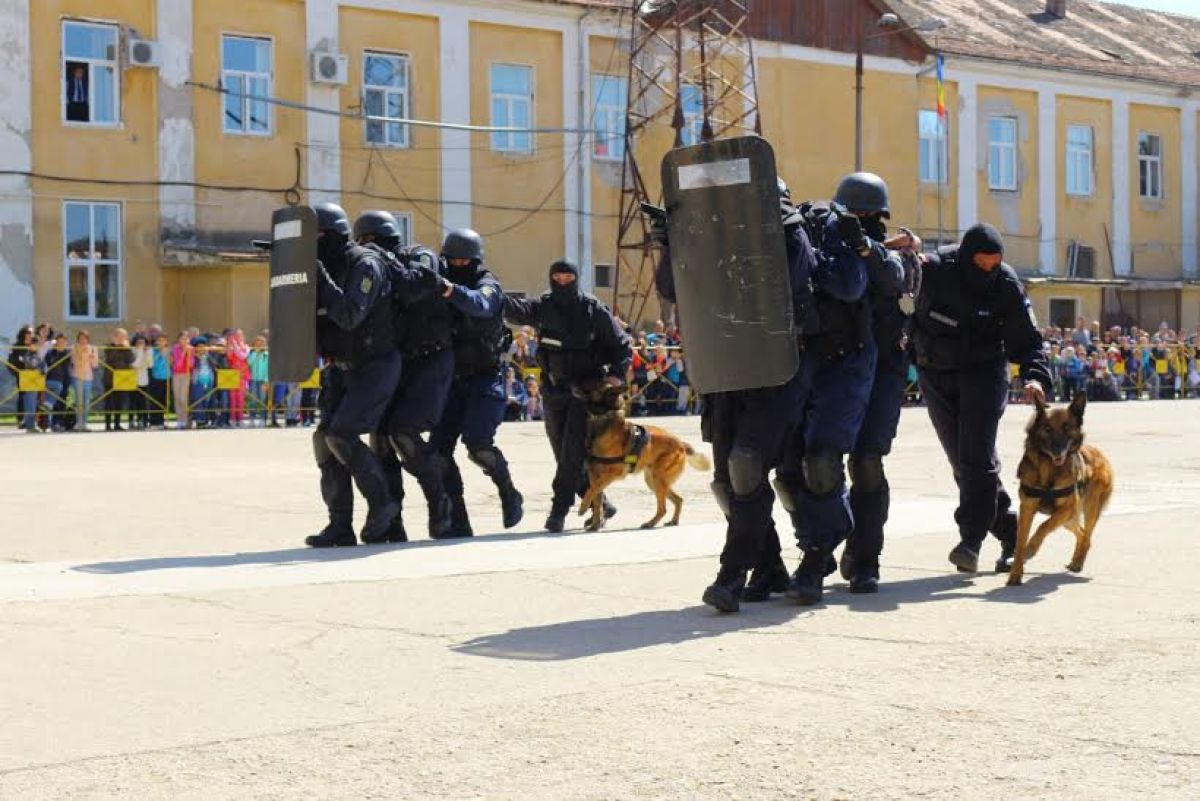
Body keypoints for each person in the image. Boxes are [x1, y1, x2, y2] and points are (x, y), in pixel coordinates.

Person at [911, 222, 1052, 573]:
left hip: (983, 375)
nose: (988, 270)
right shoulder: (935, 269)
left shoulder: (1006, 284)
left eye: (994, 263)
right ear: (965, 258)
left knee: (976, 457)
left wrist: (1035, 376)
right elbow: (894, 280)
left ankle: (969, 542)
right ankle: (1010, 532)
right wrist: (903, 250)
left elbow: (1027, 339)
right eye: (981, 264)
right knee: (963, 463)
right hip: (935, 373)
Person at [829, 172, 916, 593]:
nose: (857, 222)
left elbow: (894, 276)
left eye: (864, 216)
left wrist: (866, 247)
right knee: (818, 463)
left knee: (866, 462)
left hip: (883, 373)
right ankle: (827, 542)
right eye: (852, 216)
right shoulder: (831, 248)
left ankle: (866, 556)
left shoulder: (899, 255)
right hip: (838, 368)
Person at [505, 259, 632, 533]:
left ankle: (558, 511)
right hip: (553, 390)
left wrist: (615, 377)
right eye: (557, 278)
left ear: (576, 279)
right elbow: (515, 309)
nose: (562, 283)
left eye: (568, 278)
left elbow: (622, 346)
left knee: (571, 454)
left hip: (585, 393)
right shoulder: (543, 307)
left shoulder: (593, 310)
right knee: (560, 451)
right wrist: (489, 294)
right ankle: (600, 502)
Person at [352, 210, 453, 542]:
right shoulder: (371, 268)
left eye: (371, 242)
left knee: (404, 435)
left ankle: (439, 502)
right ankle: (392, 521)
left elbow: (417, 286)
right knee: (380, 439)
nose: (368, 248)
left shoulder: (417, 256)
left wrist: (385, 259)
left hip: (430, 359)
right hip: (394, 361)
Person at [306, 202, 403, 548]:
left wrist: (318, 274)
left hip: (375, 364)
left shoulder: (365, 263)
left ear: (331, 235)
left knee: (342, 435)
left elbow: (349, 315)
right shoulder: (322, 266)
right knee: (325, 439)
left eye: (315, 237)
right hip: (340, 366)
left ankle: (383, 504)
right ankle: (339, 525)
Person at [430, 228, 524, 536]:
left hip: (485, 379)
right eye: (453, 260)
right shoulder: (440, 280)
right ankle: (457, 520)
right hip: (450, 382)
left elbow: (480, 304)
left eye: (464, 261)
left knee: (478, 445)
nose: (458, 265)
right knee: (438, 452)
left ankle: (509, 493)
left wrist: (450, 291)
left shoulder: (488, 284)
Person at [70, 330, 99, 432]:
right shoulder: (74, 348)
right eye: (81, 338)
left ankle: (85, 423)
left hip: (88, 377)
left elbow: (95, 365)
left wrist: (92, 358)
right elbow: (74, 362)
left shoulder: (93, 348)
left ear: (88, 339)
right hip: (77, 376)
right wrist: (82, 354)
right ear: (78, 339)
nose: (83, 341)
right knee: (78, 401)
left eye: (85, 338)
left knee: (86, 401)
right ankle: (78, 422)